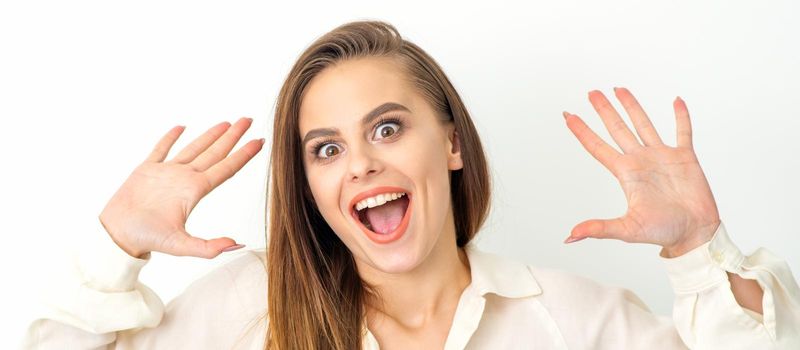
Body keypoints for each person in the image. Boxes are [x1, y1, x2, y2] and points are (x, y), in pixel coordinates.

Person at [21, 20, 800, 349]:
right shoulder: (247, 304)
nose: (359, 162)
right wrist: (114, 244)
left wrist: (700, 250)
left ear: (452, 143)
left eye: (387, 129)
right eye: (325, 148)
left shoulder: (578, 320)